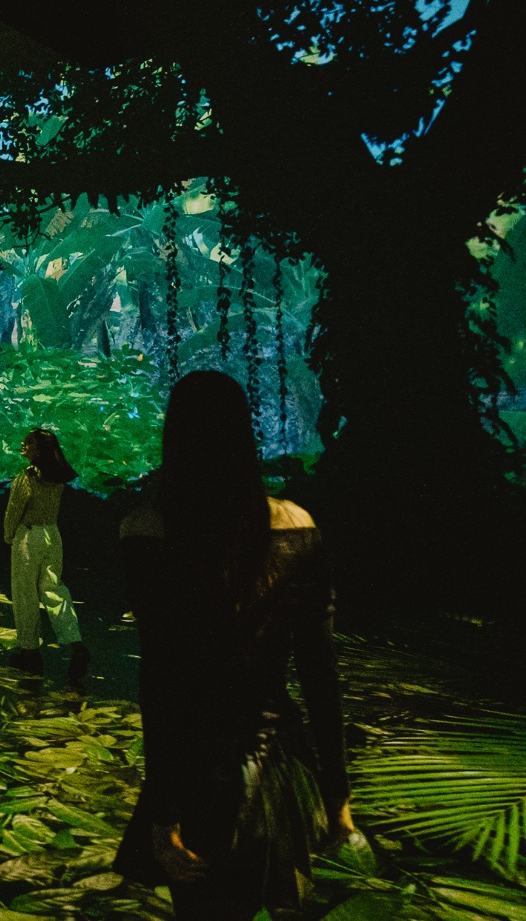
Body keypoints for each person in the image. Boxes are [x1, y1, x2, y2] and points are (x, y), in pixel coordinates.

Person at [114, 371, 352, 920]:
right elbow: (320, 675)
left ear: (175, 436)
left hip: (195, 775)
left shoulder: (148, 530)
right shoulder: (298, 526)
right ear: (244, 434)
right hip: (276, 769)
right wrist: (337, 795)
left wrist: (163, 815)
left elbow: (164, 680)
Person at [2, 428, 89, 679]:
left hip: (29, 536)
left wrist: (8, 534)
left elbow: (15, 509)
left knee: (25, 593)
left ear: (39, 449)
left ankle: (28, 650)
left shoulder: (27, 477)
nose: (24, 444)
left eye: (29, 442)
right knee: (54, 589)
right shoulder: (57, 477)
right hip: (53, 534)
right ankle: (75, 642)